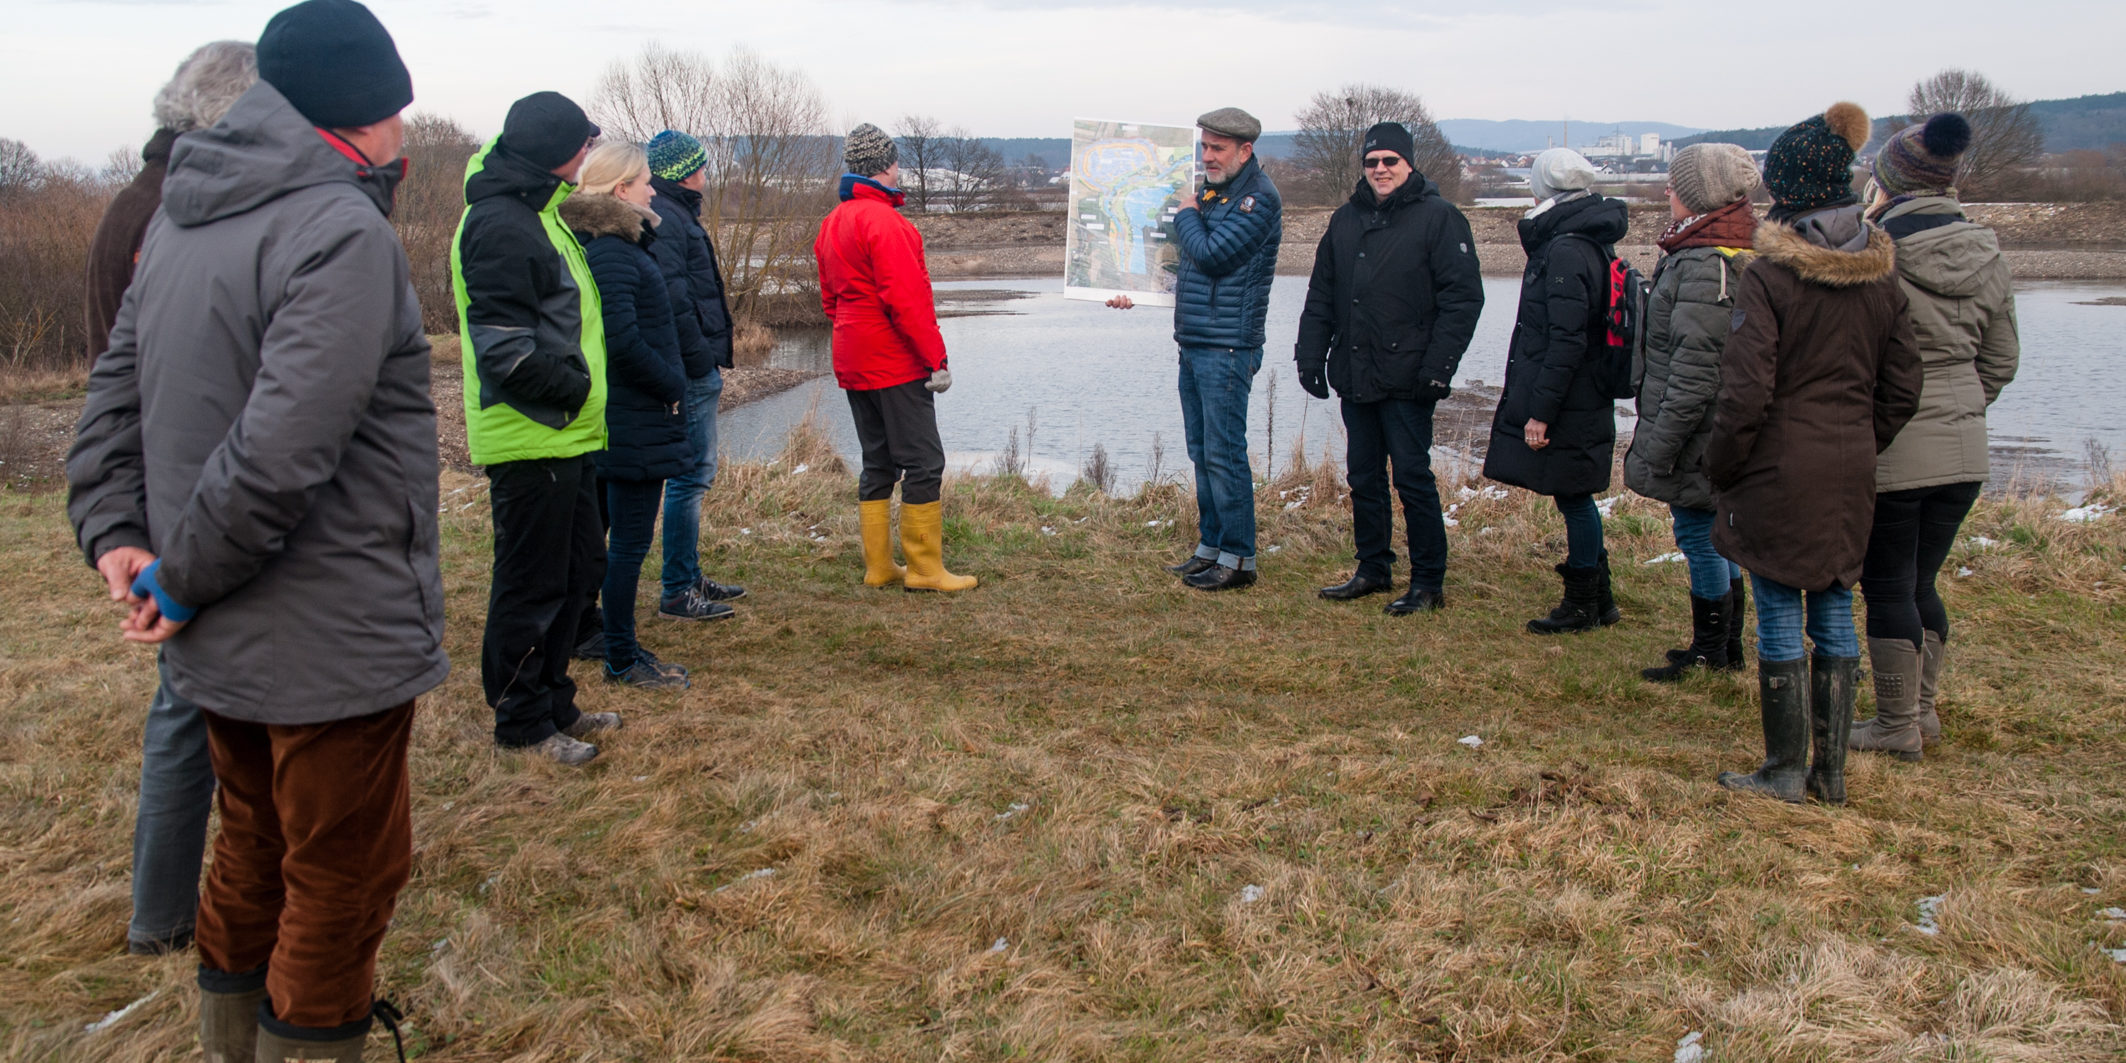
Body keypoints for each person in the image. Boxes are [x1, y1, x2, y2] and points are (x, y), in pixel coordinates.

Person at [65, 1, 443, 1056]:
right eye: (398, 109)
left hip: (214, 626)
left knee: (251, 850)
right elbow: (282, 452)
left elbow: (107, 415)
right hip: (327, 632)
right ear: (364, 113)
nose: (407, 132)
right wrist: (171, 575)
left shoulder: (183, 220)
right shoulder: (338, 231)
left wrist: (120, 541)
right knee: (342, 877)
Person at [78, 39, 255, 959]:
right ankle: (165, 915)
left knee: (195, 697)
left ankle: (192, 895)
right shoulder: (172, 211)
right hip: (185, 489)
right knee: (190, 704)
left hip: (167, 481)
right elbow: (141, 371)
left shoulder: (143, 200)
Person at [1708, 102, 1922, 806]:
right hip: (1849, 465)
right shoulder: (1880, 275)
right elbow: (1903, 385)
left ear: (1789, 193)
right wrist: (1861, 441)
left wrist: (1725, 463)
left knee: (1776, 607)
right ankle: (1827, 772)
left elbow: (1744, 391)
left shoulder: (1770, 278)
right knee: (1833, 605)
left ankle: (1784, 769)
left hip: (1778, 465)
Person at [453, 90, 621, 765]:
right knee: (533, 583)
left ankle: (555, 702)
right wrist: (573, 389)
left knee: (580, 571)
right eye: (583, 144)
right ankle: (522, 723)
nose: (589, 154)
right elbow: (504, 349)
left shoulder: (541, 213)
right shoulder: (500, 223)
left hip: (567, 434)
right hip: (531, 433)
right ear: (559, 154)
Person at [1849, 113, 2019, 760]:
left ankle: (1895, 727)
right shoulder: (1989, 252)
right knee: (1922, 582)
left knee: (1888, 583)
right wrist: (1963, 407)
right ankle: (1921, 714)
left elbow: (1858, 357)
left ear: (1888, 182)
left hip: (1895, 446)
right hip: (1965, 447)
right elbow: (2001, 360)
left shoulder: (1874, 254)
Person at [1296, 121, 1483, 615]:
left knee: (1413, 478)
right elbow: (1320, 296)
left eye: (1390, 161)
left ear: (1408, 164)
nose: (1380, 170)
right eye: (1372, 161)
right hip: (1356, 371)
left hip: (1410, 377)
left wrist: (1439, 367)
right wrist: (1310, 356)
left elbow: (1463, 300)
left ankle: (1428, 582)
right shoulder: (1345, 220)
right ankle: (1373, 568)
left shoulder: (1440, 218)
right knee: (1363, 475)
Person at [1108, 107, 1283, 591]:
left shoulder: (1257, 201)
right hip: (1196, 339)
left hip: (1229, 346)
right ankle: (1211, 547)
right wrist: (1130, 288)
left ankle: (1240, 559)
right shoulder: (1213, 193)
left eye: (1217, 148)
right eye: (1203, 146)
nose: (1206, 156)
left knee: (1225, 453)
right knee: (1202, 450)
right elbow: (1177, 268)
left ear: (1245, 150)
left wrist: (1185, 212)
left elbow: (1210, 255)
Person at [815, 123, 976, 592]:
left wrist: (853, 331)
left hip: (852, 356)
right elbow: (907, 301)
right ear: (887, 166)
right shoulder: (887, 223)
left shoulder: (832, 222)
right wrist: (936, 360)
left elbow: (831, 300)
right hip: (893, 358)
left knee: (878, 461)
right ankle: (925, 569)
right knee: (924, 461)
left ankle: (879, 566)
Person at [560, 143, 696, 690]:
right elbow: (619, 342)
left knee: (609, 544)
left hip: (626, 417)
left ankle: (603, 641)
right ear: (621, 191)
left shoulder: (612, 244)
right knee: (628, 547)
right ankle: (620, 657)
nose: (652, 189)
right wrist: (671, 385)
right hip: (634, 419)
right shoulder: (613, 252)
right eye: (643, 181)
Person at [1624, 143, 1760, 680]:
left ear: (1701, 195)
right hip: (1712, 426)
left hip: (1697, 430)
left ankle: (1712, 650)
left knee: (1699, 535)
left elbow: (1696, 370)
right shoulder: (1711, 250)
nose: (1667, 193)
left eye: (1676, 186)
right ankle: (1724, 647)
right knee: (1714, 532)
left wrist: (1660, 444)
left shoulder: (1707, 261)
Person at [1481, 148, 1630, 634]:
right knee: (1575, 495)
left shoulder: (1565, 248)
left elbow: (1565, 340)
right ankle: (1600, 600)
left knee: (1574, 497)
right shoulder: (1586, 239)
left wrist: (1539, 412)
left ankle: (1585, 602)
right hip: (1585, 393)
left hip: (1573, 398)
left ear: (1544, 187)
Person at [645, 129, 746, 621]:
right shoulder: (669, 219)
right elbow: (673, 300)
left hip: (693, 362)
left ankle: (688, 573)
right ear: (686, 170)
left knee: (693, 473)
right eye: (702, 164)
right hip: (691, 366)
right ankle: (677, 589)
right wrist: (700, 362)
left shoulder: (676, 212)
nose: (708, 172)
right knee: (691, 476)